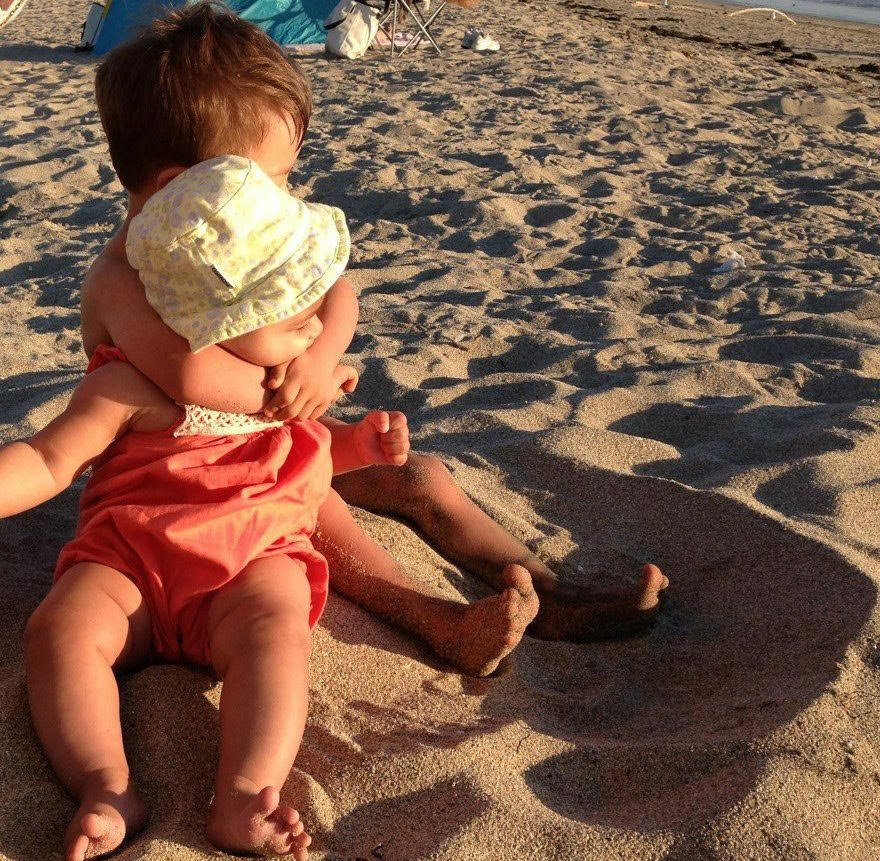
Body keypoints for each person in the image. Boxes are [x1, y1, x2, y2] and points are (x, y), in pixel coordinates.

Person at [81, 2, 666, 665]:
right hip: (197, 472)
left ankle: (549, 592)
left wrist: (321, 357)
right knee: (321, 510)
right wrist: (302, 387)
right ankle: (436, 619)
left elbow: (338, 292)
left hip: (275, 435)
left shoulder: (238, 233)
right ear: (179, 186)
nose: (287, 197)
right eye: (272, 182)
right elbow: (191, 378)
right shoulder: (118, 281)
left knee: (420, 476)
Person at [14, 153, 429, 861]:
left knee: (277, 631)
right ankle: (105, 786)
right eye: (295, 318)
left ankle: (245, 792)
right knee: (60, 629)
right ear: (215, 324)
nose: (311, 336)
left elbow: (307, 455)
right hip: (129, 569)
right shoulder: (131, 385)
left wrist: (359, 445)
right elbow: (48, 460)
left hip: (248, 569)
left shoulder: (284, 394)